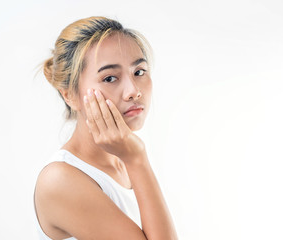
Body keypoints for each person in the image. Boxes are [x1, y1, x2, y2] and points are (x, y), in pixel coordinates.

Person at [33, 16, 178, 240]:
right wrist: (137, 159)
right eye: (110, 78)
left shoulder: (125, 153)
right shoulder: (60, 180)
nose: (133, 91)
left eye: (139, 72)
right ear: (70, 95)